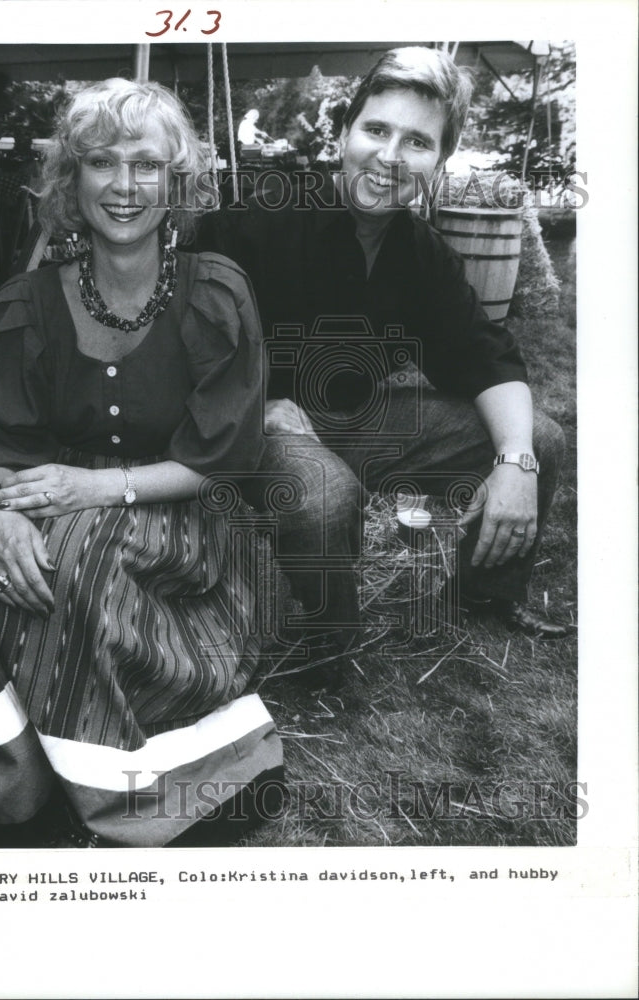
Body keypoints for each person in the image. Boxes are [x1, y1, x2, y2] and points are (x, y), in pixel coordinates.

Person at [0, 79, 283, 848]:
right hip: (49, 486)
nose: (124, 186)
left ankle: (137, 785)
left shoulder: (216, 294)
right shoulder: (25, 302)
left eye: (146, 165)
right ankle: (12, 777)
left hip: (172, 502)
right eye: (102, 163)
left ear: (176, 183)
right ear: (70, 183)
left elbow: (216, 461)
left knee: (77, 560)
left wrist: (99, 487)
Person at [195, 46, 571, 650]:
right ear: (343, 132)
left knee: (538, 439)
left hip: (355, 425)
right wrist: (257, 400)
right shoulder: (257, 218)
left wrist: (516, 462)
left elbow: (485, 355)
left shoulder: (421, 252)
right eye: (376, 129)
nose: (390, 157)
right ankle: (324, 641)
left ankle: (483, 591)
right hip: (250, 429)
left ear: (440, 160)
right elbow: (186, 339)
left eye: (418, 142)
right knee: (324, 492)